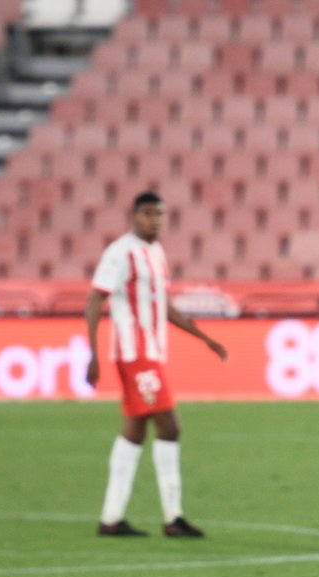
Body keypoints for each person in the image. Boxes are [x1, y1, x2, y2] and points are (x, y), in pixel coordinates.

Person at [85, 191, 227, 538]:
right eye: (147, 213)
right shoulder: (120, 253)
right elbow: (95, 298)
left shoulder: (156, 252)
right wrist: (93, 352)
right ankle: (172, 518)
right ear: (133, 215)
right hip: (135, 355)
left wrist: (203, 337)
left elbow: (162, 305)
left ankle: (111, 518)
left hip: (150, 352)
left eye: (159, 214)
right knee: (170, 426)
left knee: (134, 432)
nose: (154, 220)